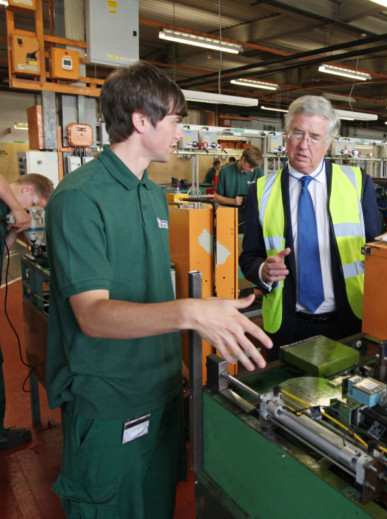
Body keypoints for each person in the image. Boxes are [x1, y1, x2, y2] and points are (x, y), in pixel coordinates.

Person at [44, 61, 272, 518]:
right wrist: (189, 313)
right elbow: (93, 314)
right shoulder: (79, 199)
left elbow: (146, 286)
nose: (181, 132)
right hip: (108, 401)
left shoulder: (151, 193)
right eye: (176, 119)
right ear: (141, 121)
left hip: (162, 392)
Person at [240, 95, 380, 360]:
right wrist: (263, 270)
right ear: (285, 136)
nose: (304, 145)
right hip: (286, 325)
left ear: (328, 143)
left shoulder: (358, 184)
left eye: (315, 137)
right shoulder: (261, 191)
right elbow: (249, 256)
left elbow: (378, 253)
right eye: (297, 133)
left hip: (348, 321)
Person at [0, 174, 54, 450]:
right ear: (26, 189)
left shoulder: (6, 214)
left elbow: (4, 250)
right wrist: (19, 209)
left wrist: (14, 230)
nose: (34, 217)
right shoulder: (5, 199)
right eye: (35, 208)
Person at [215, 145, 264, 231]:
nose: (252, 171)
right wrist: (233, 201)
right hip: (229, 220)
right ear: (243, 159)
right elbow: (217, 197)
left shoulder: (258, 172)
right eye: (250, 167)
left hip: (250, 220)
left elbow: (262, 196)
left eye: (254, 168)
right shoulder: (225, 171)